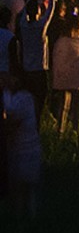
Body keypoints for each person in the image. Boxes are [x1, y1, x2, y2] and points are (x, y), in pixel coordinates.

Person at [2, 66, 42, 220]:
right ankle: (31, 220)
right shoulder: (29, 98)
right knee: (29, 191)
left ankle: (20, 222)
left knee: (19, 189)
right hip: (31, 148)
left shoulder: (20, 100)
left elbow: (11, 120)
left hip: (22, 150)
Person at [50, 16, 79, 134]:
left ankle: (63, 130)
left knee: (66, 105)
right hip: (76, 79)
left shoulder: (62, 42)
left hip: (66, 79)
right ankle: (73, 131)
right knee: (72, 105)